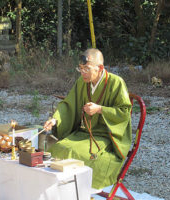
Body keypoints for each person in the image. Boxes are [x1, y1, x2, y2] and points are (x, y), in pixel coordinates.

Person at [44, 48, 132, 190]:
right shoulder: (82, 82)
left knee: (81, 154)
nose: (83, 73)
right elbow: (69, 104)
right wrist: (55, 119)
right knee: (60, 148)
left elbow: (124, 112)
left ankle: (81, 189)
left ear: (100, 68)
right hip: (85, 132)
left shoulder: (116, 82)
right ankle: (63, 189)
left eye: (87, 69)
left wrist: (100, 109)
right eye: (80, 69)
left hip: (106, 135)